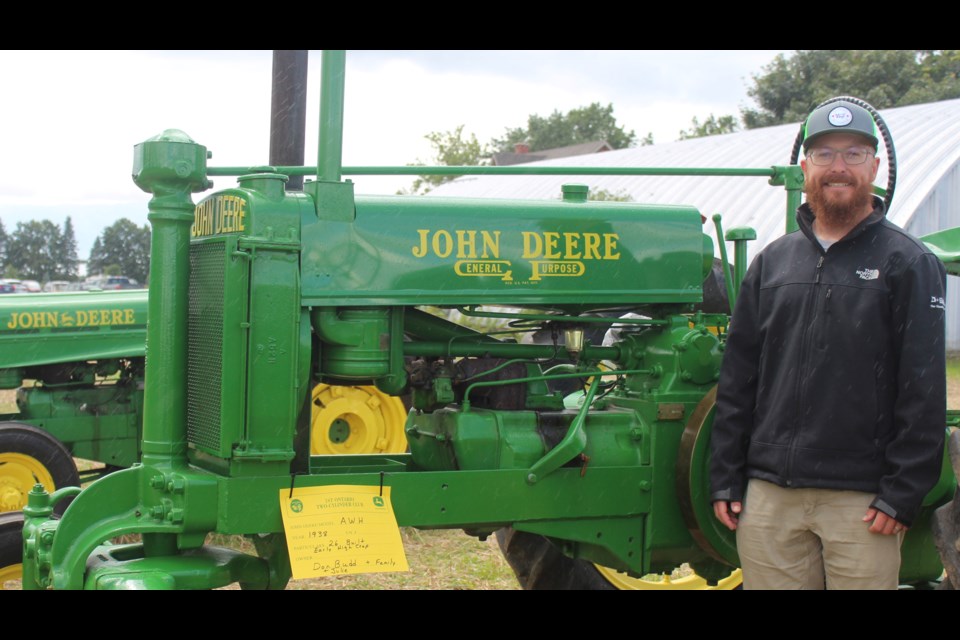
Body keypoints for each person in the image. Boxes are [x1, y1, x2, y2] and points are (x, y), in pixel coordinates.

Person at [709, 99, 947, 589]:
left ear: (875, 168)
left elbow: (923, 388)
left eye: (854, 154)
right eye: (825, 154)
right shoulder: (772, 264)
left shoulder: (908, 263)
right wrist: (727, 475)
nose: (839, 167)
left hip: (861, 503)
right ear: (805, 167)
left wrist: (903, 493)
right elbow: (738, 379)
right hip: (771, 497)